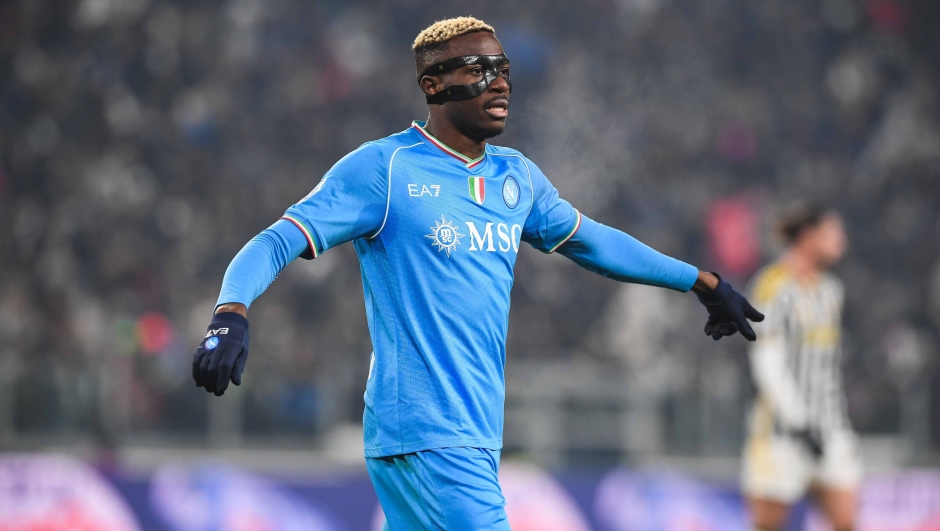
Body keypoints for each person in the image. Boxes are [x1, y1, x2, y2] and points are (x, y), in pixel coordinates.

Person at [191, 16, 764, 530]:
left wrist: (700, 281)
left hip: (468, 433)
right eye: (479, 68)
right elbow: (276, 240)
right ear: (432, 85)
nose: (500, 83)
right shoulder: (384, 168)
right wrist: (231, 311)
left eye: (504, 69)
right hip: (429, 434)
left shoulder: (517, 179)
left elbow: (596, 243)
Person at [743, 204, 861, 531]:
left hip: (832, 428)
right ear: (809, 237)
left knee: (846, 521)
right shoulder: (773, 286)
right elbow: (767, 362)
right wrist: (798, 420)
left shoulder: (831, 290)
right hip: (781, 431)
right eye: (833, 232)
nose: (841, 241)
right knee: (767, 525)